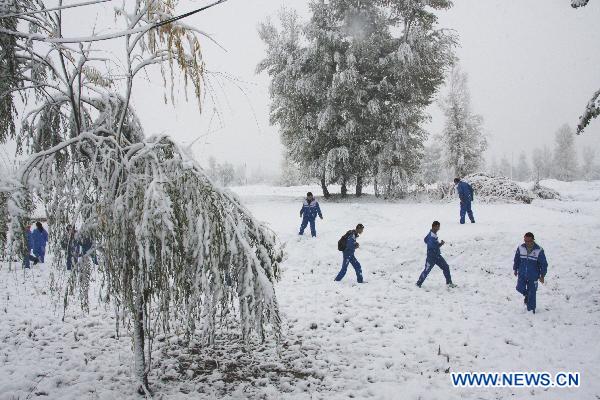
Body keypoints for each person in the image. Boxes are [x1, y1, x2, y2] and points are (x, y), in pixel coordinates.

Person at [513, 232, 548, 314]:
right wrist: (515, 269)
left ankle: (531, 310)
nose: (526, 243)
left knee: (532, 292)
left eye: (528, 241)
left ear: (533, 240)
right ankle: (527, 295)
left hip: (533, 275)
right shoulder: (520, 248)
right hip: (522, 274)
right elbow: (516, 259)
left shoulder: (539, 250)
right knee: (519, 288)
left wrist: (542, 275)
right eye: (525, 240)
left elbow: (544, 264)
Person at [416, 221, 455, 288]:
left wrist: (436, 245)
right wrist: (440, 244)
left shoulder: (431, 234)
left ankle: (449, 283)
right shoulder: (432, 237)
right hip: (431, 257)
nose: (438, 228)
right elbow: (434, 246)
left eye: (439, 227)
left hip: (437, 256)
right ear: (434, 226)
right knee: (426, 271)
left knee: (446, 267)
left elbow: (425, 240)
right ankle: (418, 283)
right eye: (438, 227)